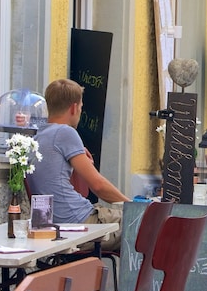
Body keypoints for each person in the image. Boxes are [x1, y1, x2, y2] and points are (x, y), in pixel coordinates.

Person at [28, 78, 130, 251]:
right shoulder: (66, 132)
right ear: (74, 108)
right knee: (147, 224)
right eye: (81, 107)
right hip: (79, 221)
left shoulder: (37, 137)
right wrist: (133, 206)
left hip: (53, 223)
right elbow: (98, 186)